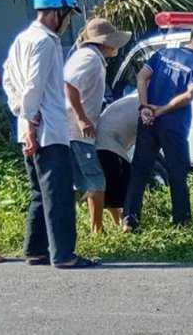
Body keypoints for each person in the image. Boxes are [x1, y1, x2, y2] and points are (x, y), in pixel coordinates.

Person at [2, 0, 99, 268]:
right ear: (57, 12)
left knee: (39, 192)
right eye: (68, 15)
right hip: (46, 130)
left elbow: (9, 78)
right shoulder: (44, 42)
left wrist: (20, 111)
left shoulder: (23, 38)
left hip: (30, 127)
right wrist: (32, 121)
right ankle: (64, 255)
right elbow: (34, 85)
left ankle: (36, 249)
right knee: (58, 193)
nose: (68, 21)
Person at [121, 26, 193, 232]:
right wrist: (163, 110)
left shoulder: (162, 54)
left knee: (139, 171)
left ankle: (129, 222)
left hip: (148, 122)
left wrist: (144, 106)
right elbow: (190, 95)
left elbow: (141, 77)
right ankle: (182, 225)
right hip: (173, 126)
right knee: (177, 174)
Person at [64, 18, 131, 234]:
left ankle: (95, 227)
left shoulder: (89, 57)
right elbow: (69, 84)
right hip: (77, 131)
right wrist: (82, 118)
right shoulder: (90, 59)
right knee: (96, 181)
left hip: (76, 131)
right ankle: (97, 231)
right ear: (105, 42)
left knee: (88, 181)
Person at [95, 93, 139, 227]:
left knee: (111, 181)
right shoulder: (144, 102)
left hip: (107, 141)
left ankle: (118, 220)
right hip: (107, 141)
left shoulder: (134, 99)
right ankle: (121, 222)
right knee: (120, 180)